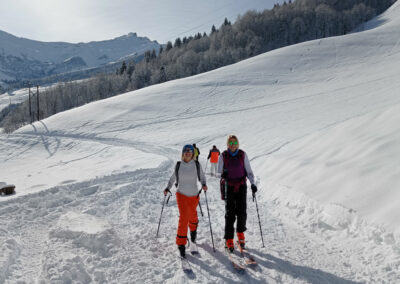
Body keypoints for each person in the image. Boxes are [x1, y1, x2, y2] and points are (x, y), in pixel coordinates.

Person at [164, 144, 208, 258]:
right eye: (186, 151)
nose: (188, 152)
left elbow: (202, 177)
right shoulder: (179, 165)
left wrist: (204, 184)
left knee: (193, 217)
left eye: (190, 151)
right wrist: (168, 188)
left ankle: (193, 236)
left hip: (194, 196)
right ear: (183, 153)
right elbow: (173, 178)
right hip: (181, 195)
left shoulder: (196, 165)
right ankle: (181, 245)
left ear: (193, 153)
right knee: (184, 218)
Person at [218, 135, 257, 252]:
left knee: (242, 212)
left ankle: (240, 235)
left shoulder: (242, 155)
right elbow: (218, 171)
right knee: (230, 213)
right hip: (229, 186)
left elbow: (249, 171)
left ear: (238, 144)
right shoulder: (223, 155)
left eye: (235, 142)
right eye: (230, 142)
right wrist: (223, 174)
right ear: (227, 144)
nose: (233, 145)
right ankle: (229, 239)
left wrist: (253, 184)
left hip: (241, 186)